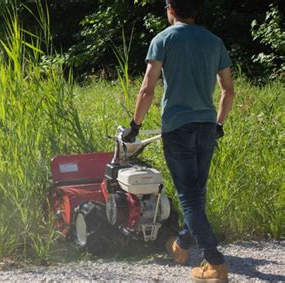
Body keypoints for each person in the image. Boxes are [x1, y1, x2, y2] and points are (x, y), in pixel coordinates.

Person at [124, 0, 236, 282]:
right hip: (207, 126)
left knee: (188, 196)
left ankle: (215, 262)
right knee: (197, 192)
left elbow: (147, 88)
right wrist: (219, 124)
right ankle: (183, 243)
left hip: (178, 127)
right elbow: (228, 90)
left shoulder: (163, 39)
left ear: (170, 9)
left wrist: (134, 127)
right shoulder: (214, 41)